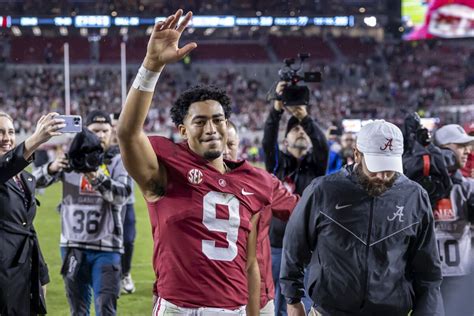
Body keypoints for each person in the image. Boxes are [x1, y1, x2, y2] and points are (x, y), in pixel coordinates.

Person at [117, 9, 297, 315]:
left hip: (234, 309)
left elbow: (306, 214)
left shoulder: (257, 179)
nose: (211, 129)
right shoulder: (168, 168)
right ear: (183, 130)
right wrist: (151, 66)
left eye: (218, 120)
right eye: (200, 122)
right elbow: (127, 132)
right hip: (179, 308)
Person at [281, 120, 444, 316]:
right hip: (329, 311)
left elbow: (428, 272)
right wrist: (293, 299)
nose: (383, 176)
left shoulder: (415, 196)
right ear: (357, 154)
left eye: (390, 168)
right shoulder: (323, 191)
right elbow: (294, 245)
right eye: (376, 167)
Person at [34, 110, 132, 316]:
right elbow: (32, 184)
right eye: (96, 131)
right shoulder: (70, 160)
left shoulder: (118, 161)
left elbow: (122, 196)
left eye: (106, 130)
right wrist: (51, 168)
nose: (101, 135)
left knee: (106, 309)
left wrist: (94, 173)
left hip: (107, 247)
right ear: (86, 131)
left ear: (112, 132)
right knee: (78, 310)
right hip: (72, 247)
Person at [262, 81, 328, 315]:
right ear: (286, 140)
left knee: (306, 304)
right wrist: (277, 109)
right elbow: (268, 141)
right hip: (277, 246)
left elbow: (322, 145)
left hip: (309, 248)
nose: (300, 131)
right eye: (295, 129)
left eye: (303, 129)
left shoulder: (316, 166)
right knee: (276, 303)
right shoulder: (277, 165)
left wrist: (304, 117)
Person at [224, 121, 299, 315]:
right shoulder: (191, 181)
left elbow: (299, 210)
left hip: (257, 292)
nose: (224, 150)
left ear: (239, 145)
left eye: (230, 144)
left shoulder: (261, 182)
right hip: (211, 293)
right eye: (220, 142)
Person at [0, 111, 65, 314]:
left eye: (11, 131)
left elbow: (28, 228)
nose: (7, 138)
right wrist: (36, 139)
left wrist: (40, 273)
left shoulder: (25, 178)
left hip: (24, 272)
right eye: (0, 132)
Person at [433, 124, 474, 315]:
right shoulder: (417, 188)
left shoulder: (467, 187)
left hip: (461, 275)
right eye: (460, 145)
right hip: (430, 279)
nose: (467, 150)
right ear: (442, 149)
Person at [111, 112, 137, 294]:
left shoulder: (128, 142)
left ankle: (125, 273)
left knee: (128, 239)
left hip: (127, 201)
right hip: (106, 201)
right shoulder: (100, 146)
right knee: (109, 241)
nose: (114, 129)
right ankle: (112, 277)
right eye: (112, 125)